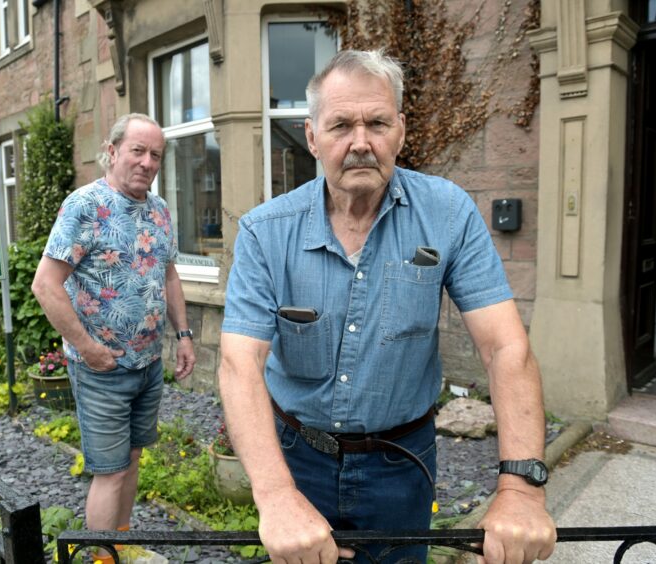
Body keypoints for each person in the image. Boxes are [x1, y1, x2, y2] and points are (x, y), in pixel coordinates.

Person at [218, 49, 556, 564]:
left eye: (377, 122)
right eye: (339, 126)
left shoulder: (447, 213)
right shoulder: (266, 232)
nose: (360, 143)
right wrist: (276, 496)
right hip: (297, 458)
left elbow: (505, 346)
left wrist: (522, 489)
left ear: (400, 130)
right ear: (312, 138)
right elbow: (241, 363)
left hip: (402, 463)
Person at [32, 113, 195, 564]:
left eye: (155, 154)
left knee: (134, 457)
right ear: (112, 151)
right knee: (109, 471)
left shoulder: (158, 210)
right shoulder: (84, 206)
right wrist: (87, 348)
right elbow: (45, 285)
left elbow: (168, 274)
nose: (146, 162)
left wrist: (182, 334)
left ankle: (117, 547)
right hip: (101, 369)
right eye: (137, 151)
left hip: (147, 364)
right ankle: (99, 560)